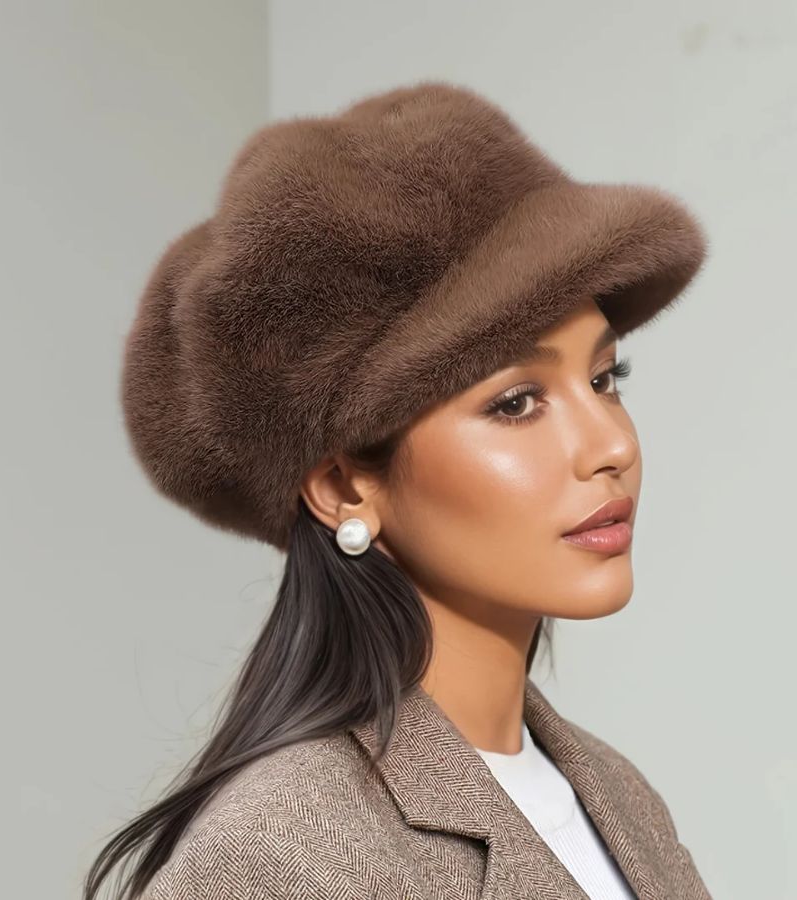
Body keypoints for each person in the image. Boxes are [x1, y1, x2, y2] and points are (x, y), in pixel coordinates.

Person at [83, 80, 712, 899]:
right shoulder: (277, 857)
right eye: (515, 403)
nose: (612, 446)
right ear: (344, 488)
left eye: (604, 378)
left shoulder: (618, 797)